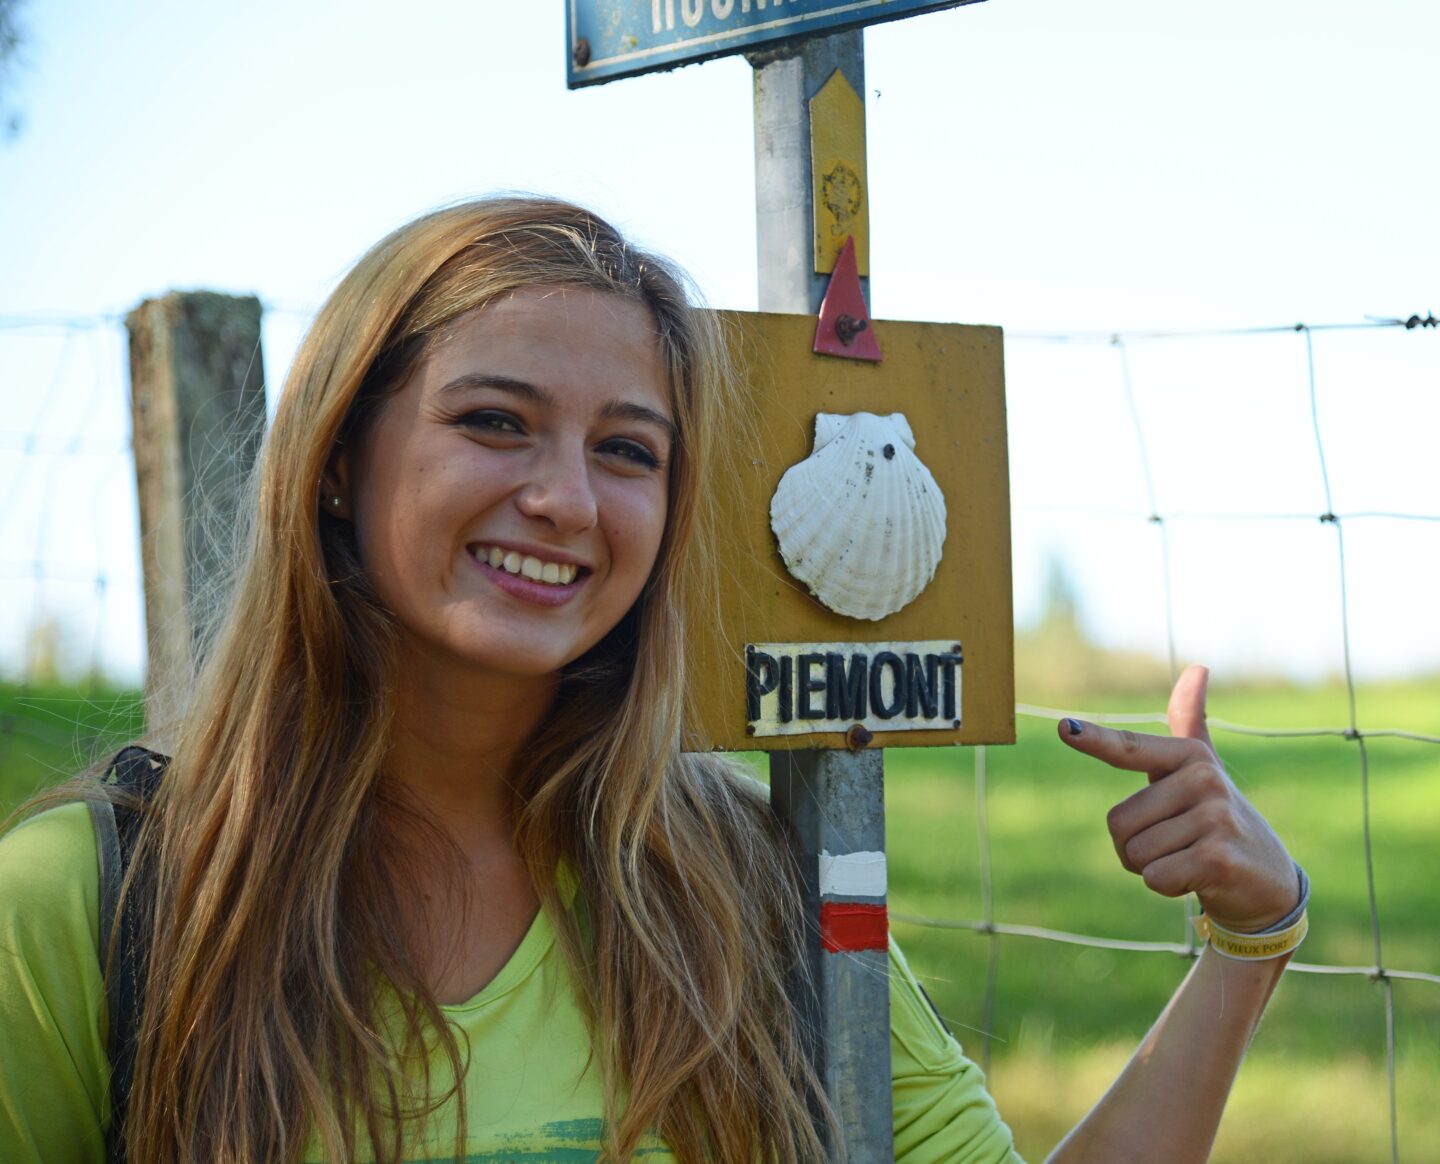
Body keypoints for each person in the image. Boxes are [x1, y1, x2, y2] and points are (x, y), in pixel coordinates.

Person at [0, 197, 1304, 1163]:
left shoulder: (740, 878)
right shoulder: (99, 908)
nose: (565, 499)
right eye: (493, 421)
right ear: (338, 458)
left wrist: (1249, 941)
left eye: (629, 450)